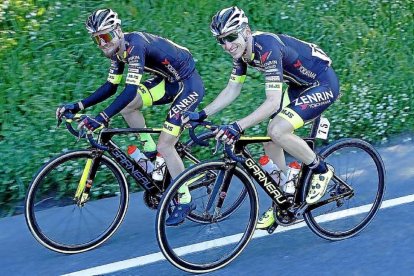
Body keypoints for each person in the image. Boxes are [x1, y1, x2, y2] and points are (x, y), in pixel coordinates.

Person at [184, 6, 340, 229]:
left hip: (322, 84)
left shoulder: (266, 47)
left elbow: (273, 102)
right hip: (298, 86)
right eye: (221, 40)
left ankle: (321, 171)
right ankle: (285, 198)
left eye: (230, 37)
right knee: (270, 142)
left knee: (278, 130)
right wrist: (202, 113)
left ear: (246, 31)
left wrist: (238, 126)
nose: (227, 46)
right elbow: (232, 89)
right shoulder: (241, 53)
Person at [55, 9, 204, 223]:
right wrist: (78, 105)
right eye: (97, 39)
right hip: (168, 81)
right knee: (128, 107)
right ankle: (151, 151)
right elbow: (110, 87)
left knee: (166, 144)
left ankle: (185, 198)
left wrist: (102, 117)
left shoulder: (135, 46)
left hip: (188, 84)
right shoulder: (117, 51)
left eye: (105, 36)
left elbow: (130, 89)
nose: (102, 43)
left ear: (118, 31)